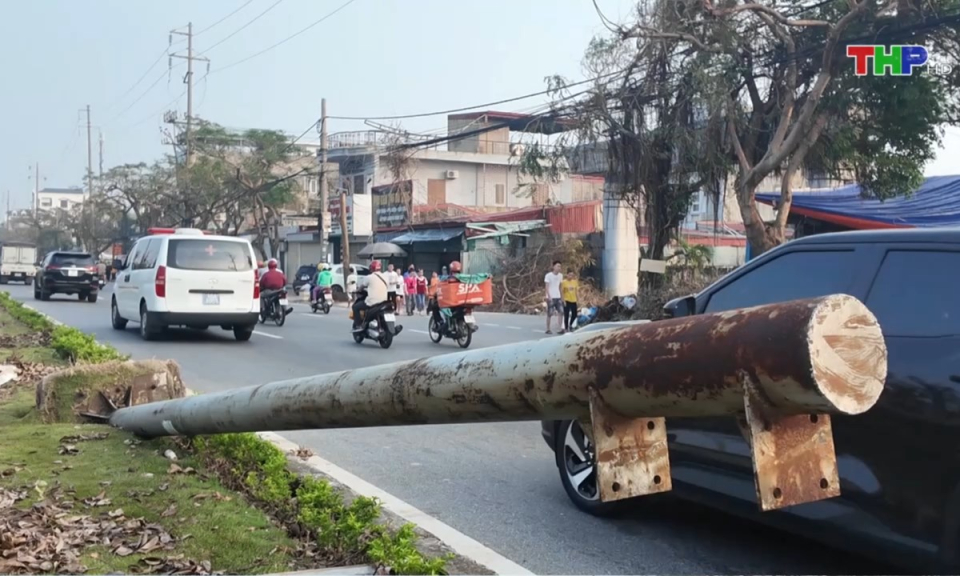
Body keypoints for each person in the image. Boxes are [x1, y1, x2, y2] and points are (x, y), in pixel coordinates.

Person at [353, 260, 390, 332]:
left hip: (372, 302)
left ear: (371, 268)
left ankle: (358, 325)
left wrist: (358, 290)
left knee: (355, 307)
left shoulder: (369, 277)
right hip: (384, 301)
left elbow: (362, 287)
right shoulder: (386, 277)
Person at [544, 260, 564, 334]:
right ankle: (548, 329)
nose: (559, 268)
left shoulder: (560, 276)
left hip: (558, 296)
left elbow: (560, 287)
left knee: (561, 312)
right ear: (553, 267)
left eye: (560, 266)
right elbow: (546, 287)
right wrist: (548, 296)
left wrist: (562, 297)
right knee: (550, 313)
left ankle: (561, 328)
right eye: (558, 266)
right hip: (551, 296)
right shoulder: (548, 275)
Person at [561, 268, 580, 332]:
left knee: (574, 314)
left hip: (573, 300)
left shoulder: (575, 282)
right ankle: (566, 328)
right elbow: (562, 292)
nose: (570, 276)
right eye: (569, 275)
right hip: (567, 300)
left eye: (572, 275)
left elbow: (576, 291)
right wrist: (563, 300)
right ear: (567, 275)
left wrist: (578, 300)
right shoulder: (564, 282)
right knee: (566, 315)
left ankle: (571, 325)